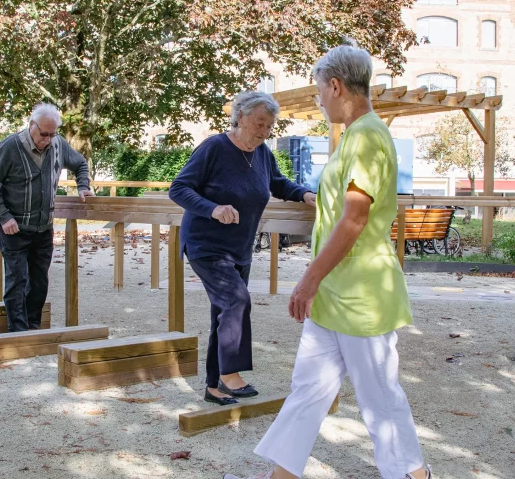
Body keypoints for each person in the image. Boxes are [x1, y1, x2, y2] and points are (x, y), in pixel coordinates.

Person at [224, 45, 431, 479]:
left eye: (320, 91)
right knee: (308, 390)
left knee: (379, 397)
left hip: (361, 293)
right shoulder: (354, 136)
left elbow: (355, 219)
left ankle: (414, 476)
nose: (319, 100)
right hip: (335, 290)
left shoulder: (370, 137)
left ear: (336, 86)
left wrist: (307, 281)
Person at [169, 91, 317, 406]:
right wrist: (213, 208)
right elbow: (179, 188)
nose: (264, 132)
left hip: (240, 248)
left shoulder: (263, 153)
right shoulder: (214, 148)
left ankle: (214, 387)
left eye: (269, 127)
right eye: (259, 124)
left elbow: (278, 183)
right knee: (236, 301)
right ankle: (229, 374)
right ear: (240, 116)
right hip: (206, 245)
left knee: (224, 313)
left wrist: (304, 194)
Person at [0, 103, 93, 332]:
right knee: (17, 279)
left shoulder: (58, 145)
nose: (48, 139)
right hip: (13, 227)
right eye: (44, 134)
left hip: (43, 227)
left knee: (40, 280)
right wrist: (3, 217)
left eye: (53, 134)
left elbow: (80, 163)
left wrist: (83, 186)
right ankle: (17, 332)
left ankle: (32, 327)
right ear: (32, 126)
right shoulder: (10, 147)